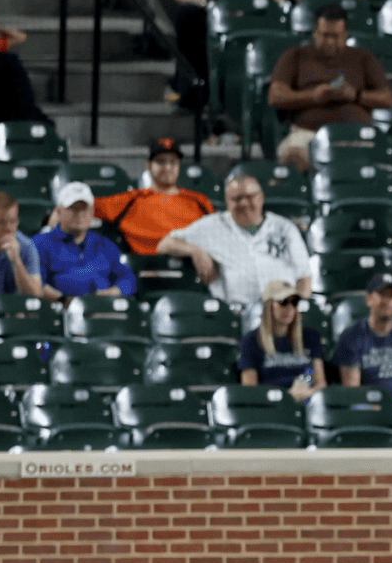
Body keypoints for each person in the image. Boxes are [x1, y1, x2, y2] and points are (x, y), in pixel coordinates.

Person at [264, 5, 392, 173]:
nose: (330, 41)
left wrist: (355, 95)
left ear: (346, 35)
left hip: (356, 134)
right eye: (325, 36)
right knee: (293, 157)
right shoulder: (295, 56)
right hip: (308, 134)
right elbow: (275, 96)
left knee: (383, 158)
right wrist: (312, 96)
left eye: (336, 36)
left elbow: (387, 98)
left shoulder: (364, 57)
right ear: (314, 33)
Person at [159, 173, 313, 306]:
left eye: (250, 197)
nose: (244, 203)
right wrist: (196, 251)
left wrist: (297, 310)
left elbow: (304, 277)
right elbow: (165, 244)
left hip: (280, 313)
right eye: (237, 199)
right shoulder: (211, 226)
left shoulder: (284, 228)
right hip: (235, 314)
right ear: (227, 202)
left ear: (261, 197)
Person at [95, 138, 217, 258]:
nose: (167, 168)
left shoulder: (199, 201)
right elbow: (85, 205)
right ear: (148, 166)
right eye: (161, 162)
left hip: (192, 269)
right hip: (147, 270)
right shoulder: (132, 200)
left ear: (179, 166)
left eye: (173, 162)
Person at [330, 272, 392, 395]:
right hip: (367, 407)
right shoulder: (351, 337)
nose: (387, 300)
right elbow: (353, 392)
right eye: (381, 294)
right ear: (368, 299)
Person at [32, 183, 134, 299]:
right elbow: (35, 284)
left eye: (84, 208)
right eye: (73, 208)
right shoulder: (40, 243)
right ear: (59, 212)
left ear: (92, 212)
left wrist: (114, 291)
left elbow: (128, 279)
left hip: (103, 308)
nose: (80, 214)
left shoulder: (105, 244)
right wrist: (64, 300)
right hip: (59, 310)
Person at [237, 279, 327, 397]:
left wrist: (308, 393)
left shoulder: (311, 337)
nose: (289, 308)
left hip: (307, 403)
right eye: (283, 302)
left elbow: (320, 383)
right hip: (271, 407)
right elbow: (250, 391)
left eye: (294, 302)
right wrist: (286, 398)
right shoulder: (251, 341)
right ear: (269, 305)